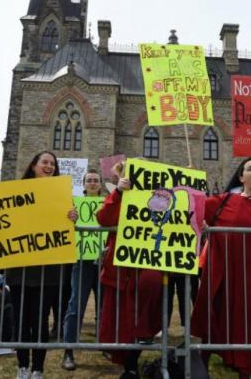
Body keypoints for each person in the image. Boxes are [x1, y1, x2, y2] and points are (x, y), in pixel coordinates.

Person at [191, 158, 251, 378]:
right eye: (250, 168)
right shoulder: (224, 200)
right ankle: (203, 362)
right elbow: (197, 207)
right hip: (225, 271)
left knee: (249, 321)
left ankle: (245, 370)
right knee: (215, 314)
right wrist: (191, 182)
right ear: (241, 177)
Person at [4, 151, 77, 379]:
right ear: (34, 165)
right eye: (45, 162)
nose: (49, 166)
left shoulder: (61, 194)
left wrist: (71, 217)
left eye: (53, 164)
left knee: (40, 321)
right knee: (22, 321)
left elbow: (66, 227)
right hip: (21, 268)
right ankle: (22, 366)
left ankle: (38, 368)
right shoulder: (16, 191)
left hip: (48, 270)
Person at [97, 162, 164, 379]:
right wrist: (117, 191)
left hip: (146, 267)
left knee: (140, 320)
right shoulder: (121, 196)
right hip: (121, 269)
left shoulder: (160, 201)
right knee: (122, 322)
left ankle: (132, 364)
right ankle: (128, 364)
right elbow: (103, 218)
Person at [61, 169, 105, 370]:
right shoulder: (75, 205)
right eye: (89, 181)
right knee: (75, 306)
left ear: (101, 184)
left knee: (104, 307)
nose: (93, 183)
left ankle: (105, 345)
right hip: (83, 261)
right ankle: (68, 350)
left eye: (96, 180)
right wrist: (70, 218)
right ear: (84, 184)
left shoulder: (107, 204)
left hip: (103, 261)